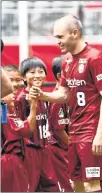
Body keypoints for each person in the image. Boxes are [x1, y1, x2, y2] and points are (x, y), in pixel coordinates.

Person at [29, 15, 102, 192]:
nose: (57, 42)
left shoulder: (95, 57)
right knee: (76, 184)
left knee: (93, 184)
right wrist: (42, 95)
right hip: (74, 132)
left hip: (91, 132)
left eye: (60, 37)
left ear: (74, 33)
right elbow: (64, 94)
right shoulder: (67, 61)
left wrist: (99, 133)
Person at [15, 57, 60, 192]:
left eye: (41, 71)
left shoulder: (45, 97)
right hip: (29, 151)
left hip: (45, 150)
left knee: (52, 188)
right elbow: (21, 128)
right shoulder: (21, 99)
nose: (37, 75)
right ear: (23, 77)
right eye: (32, 72)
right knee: (30, 187)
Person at [45, 55, 73, 191]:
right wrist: (74, 147)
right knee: (67, 187)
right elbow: (59, 129)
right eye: (69, 71)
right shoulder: (57, 99)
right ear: (59, 76)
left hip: (67, 149)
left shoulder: (73, 95)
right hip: (59, 150)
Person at [1, 91, 38, 192]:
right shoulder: (6, 116)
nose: (14, 95)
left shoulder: (3, 114)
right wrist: (33, 105)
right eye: (9, 93)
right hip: (9, 161)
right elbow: (29, 128)